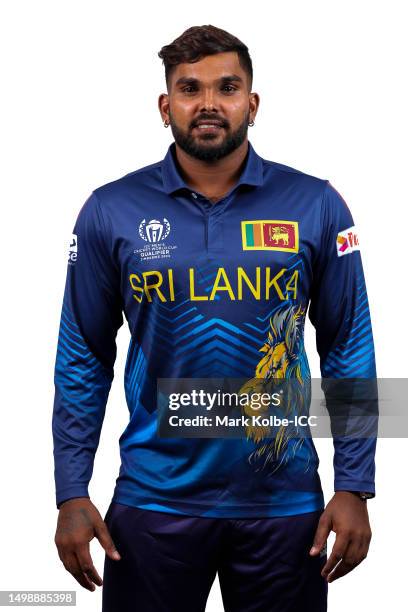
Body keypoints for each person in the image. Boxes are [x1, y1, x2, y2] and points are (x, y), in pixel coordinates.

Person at [52, 24, 377, 612]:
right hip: (154, 503)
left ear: (252, 103)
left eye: (227, 87)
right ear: (165, 106)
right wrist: (71, 492)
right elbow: (83, 355)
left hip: (285, 506)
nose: (208, 103)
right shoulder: (110, 210)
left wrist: (355, 485)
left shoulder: (316, 204)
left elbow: (349, 345)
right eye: (188, 88)